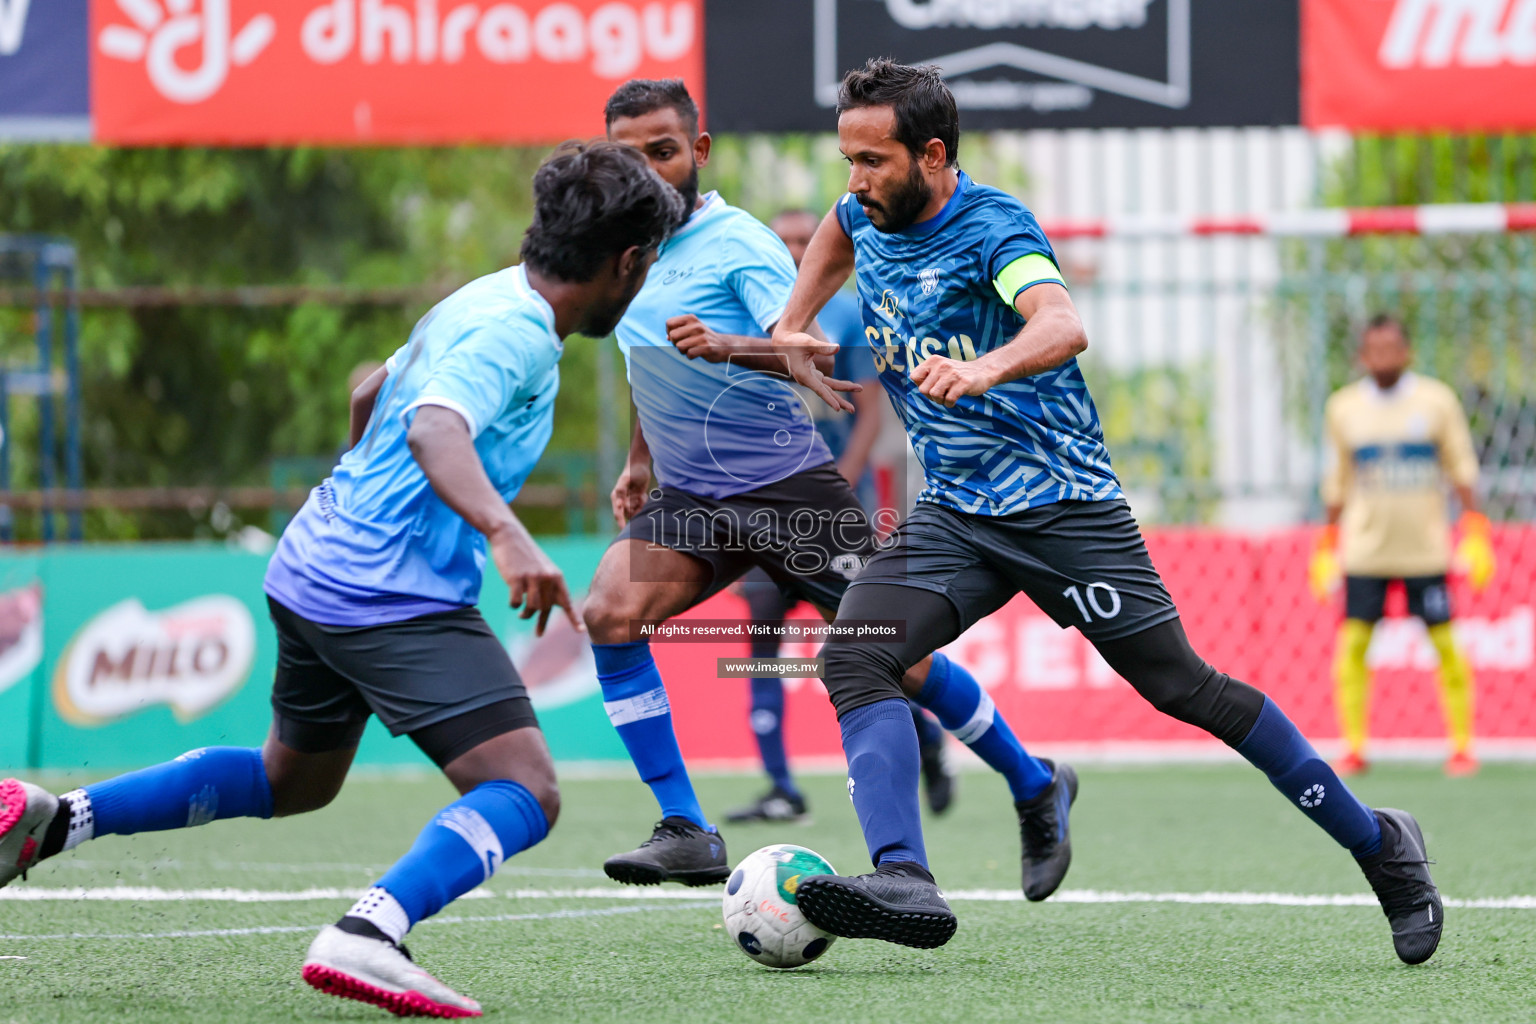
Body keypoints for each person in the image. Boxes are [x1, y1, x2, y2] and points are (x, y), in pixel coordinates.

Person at [769, 59, 1443, 965]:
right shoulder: (863, 209)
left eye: (873, 161)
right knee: (856, 656)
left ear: (932, 155)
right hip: (958, 516)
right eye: (847, 159)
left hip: (1063, 509)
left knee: (1184, 690)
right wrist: (791, 321)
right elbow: (835, 234)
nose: (854, 181)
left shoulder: (994, 228)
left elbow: (1060, 323)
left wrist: (983, 366)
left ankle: (1384, 849)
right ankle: (904, 878)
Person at [0, 141, 682, 1019]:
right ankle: (370, 934)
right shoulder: (517, 335)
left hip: (313, 562)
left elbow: (371, 392)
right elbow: (436, 429)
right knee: (526, 788)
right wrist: (509, 538)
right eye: (649, 262)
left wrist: (358, 497)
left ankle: (55, 822)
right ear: (626, 261)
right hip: (385, 591)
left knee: (294, 780)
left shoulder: (482, 295)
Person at [585, 79, 1069, 898]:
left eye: (662, 152)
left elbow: (805, 351)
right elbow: (654, 361)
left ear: (697, 154)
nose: (646, 171)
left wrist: (727, 346)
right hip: (696, 499)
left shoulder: (737, 243)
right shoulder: (632, 258)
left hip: (786, 490)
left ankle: (1033, 781)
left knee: (899, 664)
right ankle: (686, 829)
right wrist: (639, 459)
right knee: (607, 613)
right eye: (627, 157)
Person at [724, 208, 954, 826]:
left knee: (866, 645)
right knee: (761, 635)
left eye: (807, 239)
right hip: (770, 509)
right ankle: (779, 786)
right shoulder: (754, 316)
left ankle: (930, 743)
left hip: (831, 507)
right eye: (787, 241)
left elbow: (871, 411)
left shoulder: (849, 314)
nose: (798, 249)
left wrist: (841, 481)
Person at [1310, 314, 1494, 778]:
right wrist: (1328, 542)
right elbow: (1338, 479)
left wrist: (1474, 528)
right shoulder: (1344, 408)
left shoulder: (1435, 401)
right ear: (1361, 356)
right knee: (1352, 646)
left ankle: (1462, 746)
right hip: (1365, 551)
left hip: (1425, 550)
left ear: (1407, 351)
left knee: (1448, 644)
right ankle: (1353, 748)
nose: (1383, 358)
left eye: (1391, 349)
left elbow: (1461, 466)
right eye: (1374, 350)